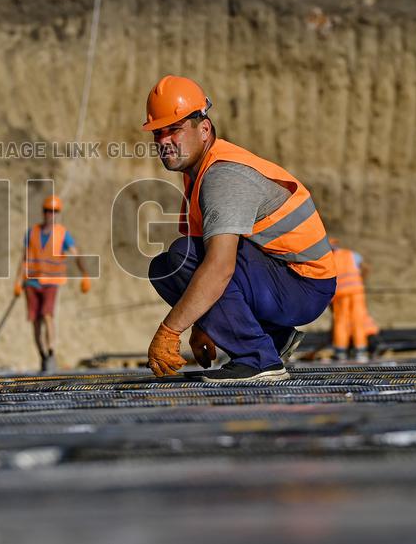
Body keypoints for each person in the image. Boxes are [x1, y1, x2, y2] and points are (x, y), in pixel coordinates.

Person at [143, 75, 337, 382]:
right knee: (165, 267)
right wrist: (204, 324)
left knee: (182, 255)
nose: (164, 141)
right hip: (283, 279)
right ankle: (273, 338)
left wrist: (171, 329)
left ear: (204, 129)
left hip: (303, 285)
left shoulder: (223, 176)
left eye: (174, 129)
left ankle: (258, 359)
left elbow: (219, 267)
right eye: (158, 133)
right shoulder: (200, 173)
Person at [14, 195, 91, 372]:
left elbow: (76, 254)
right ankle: (42, 354)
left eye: (54, 211)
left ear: (58, 213)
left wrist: (85, 275)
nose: (51, 214)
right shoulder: (32, 232)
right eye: (48, 211)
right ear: (43, 212)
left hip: (51, 282)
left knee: (47, 315)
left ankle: (50, 352)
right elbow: (24, 259)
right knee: (35, 321)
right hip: (31, 282)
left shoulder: (62, 234)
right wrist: (17, 282)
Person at [329, 238, 377, 361]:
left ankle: (341, 351)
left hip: (340, 294)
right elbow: (365, 267)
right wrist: (360, 280)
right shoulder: (351, 255)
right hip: (356, 292)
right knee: (358, 320)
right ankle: (361, 350)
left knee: (341, 322)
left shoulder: (328, 260)